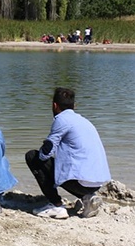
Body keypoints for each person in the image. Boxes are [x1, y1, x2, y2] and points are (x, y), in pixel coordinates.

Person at [25, 88, 111, 219]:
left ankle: (56, 205)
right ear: (74, 106)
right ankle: (88, 198)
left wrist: (45, 147)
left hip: (80, 183)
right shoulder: (84, 121)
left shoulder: (61, 120)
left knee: (32, 156)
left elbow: (45, 154)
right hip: (96, 183)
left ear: (54, 105)